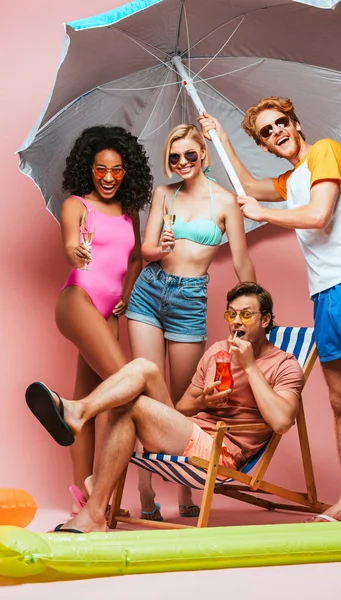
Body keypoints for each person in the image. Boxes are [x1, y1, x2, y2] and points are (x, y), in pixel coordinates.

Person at [198, 98, 341, 533]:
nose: (277, 133)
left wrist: (263, 213)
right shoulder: (292, 179)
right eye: (267, 132)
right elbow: (249, 185)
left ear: (295, 121)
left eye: (281, 123)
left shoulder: (326, 151)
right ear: (266, 145)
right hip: (324, 295)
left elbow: (318, 214)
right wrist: (221, 139)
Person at [25, 282, 304, 533]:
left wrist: (249, 366)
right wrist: (203, 401)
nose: (236, 321)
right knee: (145, 367)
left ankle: (93, 502)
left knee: (127, 407)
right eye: (231, 314)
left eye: (246, 314)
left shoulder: (285, 364)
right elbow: (181, 407)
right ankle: (79, 414)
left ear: (265, 320)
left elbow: (281, 422)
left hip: (221, 453)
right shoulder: (217, 352)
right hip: (188, 431)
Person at [125, 124, 256, 520]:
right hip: (150, 290)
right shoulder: (165, 194)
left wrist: (255, 307)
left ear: (204, 154)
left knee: (186, 398)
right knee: (145, 387)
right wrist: (159, 246)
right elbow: (146, 248)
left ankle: (185, 488)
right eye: (174, 157)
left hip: (188, 300)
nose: (181, 162)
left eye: (189, 155)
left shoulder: (227, 202)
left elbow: (240, 261)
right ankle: (146, 489)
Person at [56, 125, 153, 514]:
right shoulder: (77, 205)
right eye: (100, 169)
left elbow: (133, 260)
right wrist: (74, 252)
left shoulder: (130, 211)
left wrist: (126, 296)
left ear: (127, 170)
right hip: (77, 302)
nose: (109, 177)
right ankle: (99, 491)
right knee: (127, 387)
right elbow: (68, 242)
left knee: (93, 402)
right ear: (89, 169)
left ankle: (84, 496)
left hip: (109, 313)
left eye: (116, 169)